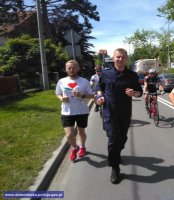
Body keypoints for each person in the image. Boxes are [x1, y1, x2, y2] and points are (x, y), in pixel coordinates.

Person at [96, 48, 143, 184]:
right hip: (109, 112)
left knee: (122, 138)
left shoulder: (132, 75)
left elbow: (140, 92)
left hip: (125, 112)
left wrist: (134, 93)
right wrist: (99, 96)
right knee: (113, 138)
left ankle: (116, 152)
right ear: (114, 58)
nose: (120, 59)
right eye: (118, 57)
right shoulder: (105, 74)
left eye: (123, 57)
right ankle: (115, 167)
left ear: (126, 58)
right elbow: (99, 88)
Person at [55, 60, 95, 161]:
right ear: (66, 69)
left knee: (81, 131)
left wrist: (81, 95)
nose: (72, 70)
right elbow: (58, 93)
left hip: (81, 111)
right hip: (67, 111)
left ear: (78, 69)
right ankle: (74, 147)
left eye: (74, 68)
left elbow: (92, 96)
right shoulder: (62, 81)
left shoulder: (84, 81)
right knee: (69, 134)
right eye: (69, 68)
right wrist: (61, 98)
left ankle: (82, 147)